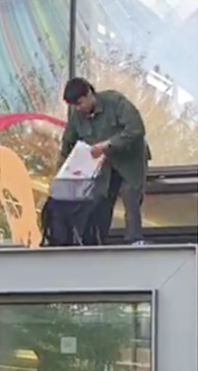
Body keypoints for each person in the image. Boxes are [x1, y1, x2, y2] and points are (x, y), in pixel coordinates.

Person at [59, 77, 149, 246]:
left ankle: (135, 241)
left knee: (131, 198)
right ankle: (96, 242)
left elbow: (136, 128)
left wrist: (108, 144)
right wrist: (62, 171)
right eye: (74, 106)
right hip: (103, 165)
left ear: (89, 93)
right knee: (100, 201)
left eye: (80, 103)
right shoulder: (75, 115)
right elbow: (67, 142)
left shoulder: (115, 101)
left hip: (130, 160)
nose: (78, 109)